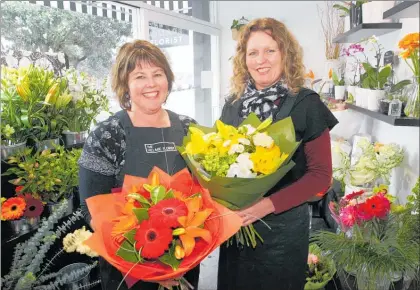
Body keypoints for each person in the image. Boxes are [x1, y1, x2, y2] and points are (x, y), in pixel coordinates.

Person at [217, 18, 338, 290]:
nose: (262, 60)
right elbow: (220, 162)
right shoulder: (232, 105)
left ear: (285, 54)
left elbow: (320, 176)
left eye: (271, 50)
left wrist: (265, 206)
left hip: (282, 231)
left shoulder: (306, 103)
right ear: (243, 59)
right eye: (253, 52)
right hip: (236, 227)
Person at [78, 40, 200, 290]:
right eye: (140, 76)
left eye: (158, 74)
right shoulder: (108, 134)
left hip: (183, 259)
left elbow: (204, 190)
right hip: (128, 267)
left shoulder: (190, 128)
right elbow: (91, 208)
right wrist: (147, 265)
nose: (151, 84)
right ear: (125, 85)